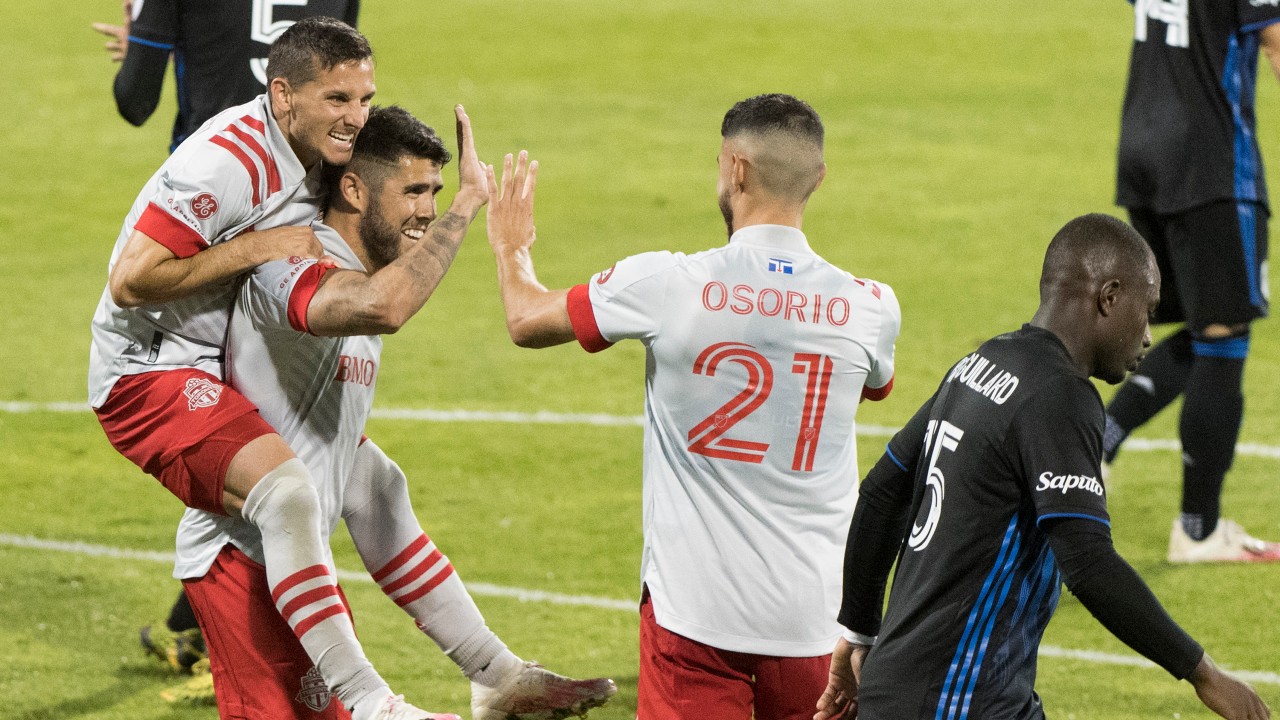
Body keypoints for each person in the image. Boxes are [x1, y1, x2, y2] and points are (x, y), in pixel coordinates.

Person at [171, 104, 616, 720]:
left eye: (435, 191)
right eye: (413, 191)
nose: (428, 209)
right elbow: (383, 309)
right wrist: (467, 207)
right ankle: (386, 706)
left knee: (375, 480)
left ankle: (496, 676)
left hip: (296, 568)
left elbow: (362, 485)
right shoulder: (295, 262)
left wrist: (492, 668)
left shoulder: (369, 269)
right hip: (243, 566)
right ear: (353, 188)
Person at [484, 94, 901, 720]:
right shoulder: (870, 308)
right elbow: (872, 386)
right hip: (815, 625)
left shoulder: (665, 283)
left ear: (735, 169)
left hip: (694, 619)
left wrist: (511, 246)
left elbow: (525, 319)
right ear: (818, 177)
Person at [87, 17, 439, 720]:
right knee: (287, 494)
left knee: (367, 483)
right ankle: (371, 700)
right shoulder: (225, 161)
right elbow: (132, 280)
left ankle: (490, 672)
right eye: (337, 99)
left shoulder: (319, 154)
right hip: (148, 372)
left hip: (223, 363)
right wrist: (253, 249)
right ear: (282, 96)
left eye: (364, 97)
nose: (356, 117)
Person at [814, 214, 1271, 720]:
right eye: (1148, 311)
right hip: (955, 702)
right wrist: (1205, 674)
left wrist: (858, 632)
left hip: (917, 687)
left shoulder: (982, 362)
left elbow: (881, 491)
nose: (1147, 336)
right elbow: (1090, 565)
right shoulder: (1060, 396)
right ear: (1109, 297)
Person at [1105, 0, 1280, 562]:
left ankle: (1100, 441)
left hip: (1143, 149)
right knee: (1225, 337)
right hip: (1211, 161)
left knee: (1206, 328)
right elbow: (1276, 42)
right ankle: (1197, 530)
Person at [93, 0, 360, 151]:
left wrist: (144, 47)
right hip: (309, 186)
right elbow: (343, 75)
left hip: (211, 182)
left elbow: (136, 103)